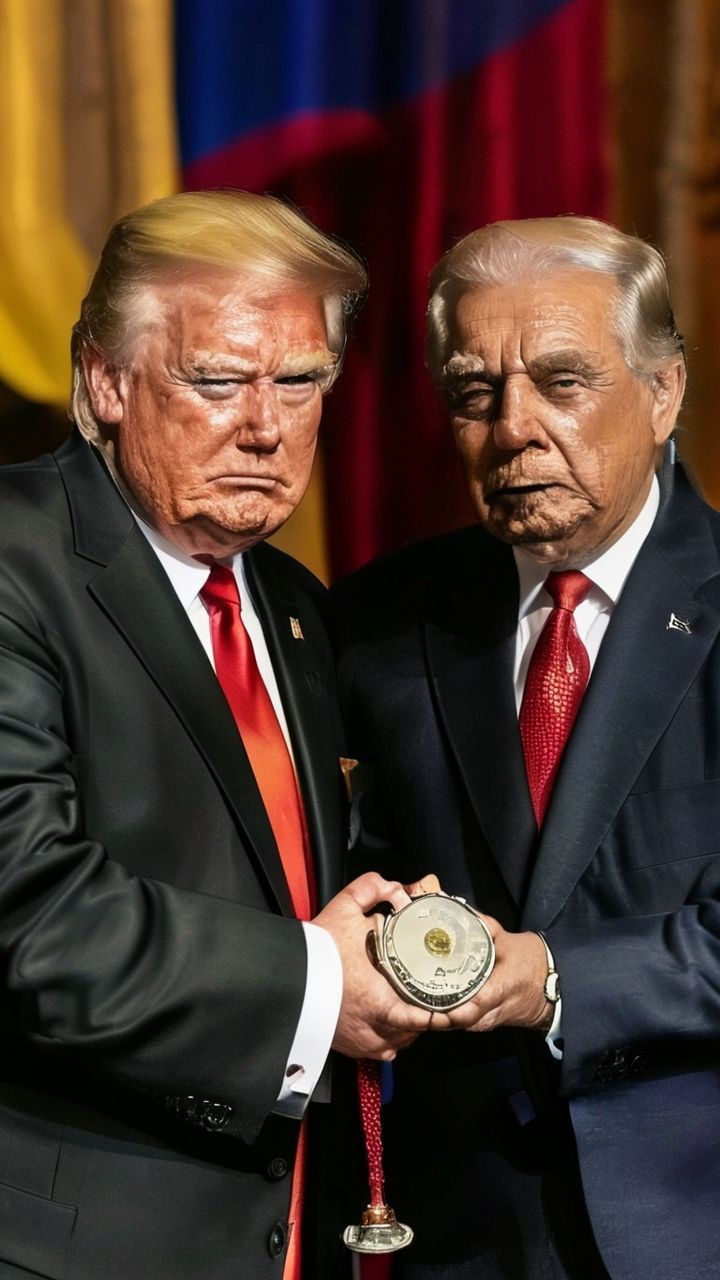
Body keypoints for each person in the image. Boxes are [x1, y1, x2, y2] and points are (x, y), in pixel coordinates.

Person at [0, 189, 433, 1280]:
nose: (266, 426)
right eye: (218, 380)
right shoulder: (14, 561)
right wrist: (322, 984)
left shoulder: (292, 604)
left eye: (300, 382)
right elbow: (30, 917)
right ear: (105, 379)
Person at [331, 217, 720, 1280]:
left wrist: (552, 978)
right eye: (474, 393)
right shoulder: (376, 622)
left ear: (664, 391)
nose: (514, 429)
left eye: (562, 382)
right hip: (455, 1233)